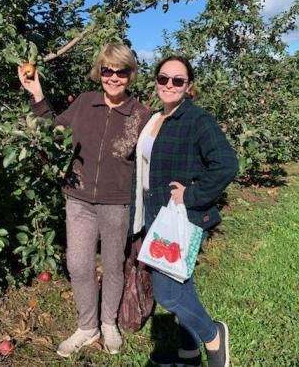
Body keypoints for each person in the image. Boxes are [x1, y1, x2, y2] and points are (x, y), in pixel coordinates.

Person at [18, 43, 149, 357]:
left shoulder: (140, 115)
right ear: (99, 72)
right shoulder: (85, 103)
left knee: (114, 266)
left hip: (117, 202)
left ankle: (109, 324)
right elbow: (53, 129)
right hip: (78, 198)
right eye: (107, 70)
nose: (113, 77)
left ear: (130, 75)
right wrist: (37, 94)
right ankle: (87, 327)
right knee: (78, 265)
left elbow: (153, 159)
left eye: (121, 71)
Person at [129, 55, 238, 367]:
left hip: (180, 216)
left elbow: (227, 164)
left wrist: (192, 195)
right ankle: (188, 354)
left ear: (189, 86)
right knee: (182, 284)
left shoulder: (196, 119)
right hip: (155, 212)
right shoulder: (155, 118)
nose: (170, 85)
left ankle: (213, 335)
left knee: (169, 295)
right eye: (164, 78)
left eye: (178, 80)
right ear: (156, 81)